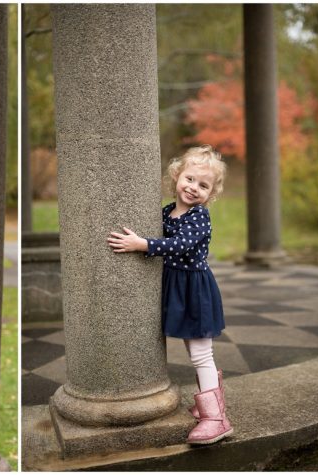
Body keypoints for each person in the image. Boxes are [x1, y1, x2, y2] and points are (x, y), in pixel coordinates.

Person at [107, 145, 233, 445]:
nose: (193, 188)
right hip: (175, 286)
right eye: (189, 179)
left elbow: (178, 245)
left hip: (194, 291)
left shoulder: (199, 217)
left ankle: (217, 419)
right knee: (197, 352)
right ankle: (214, 405)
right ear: (177, 176)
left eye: (203, 186)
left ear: (211, 193)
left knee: (201, 352)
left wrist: (142, 245)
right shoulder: (166, 211)